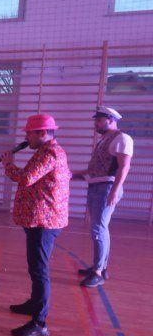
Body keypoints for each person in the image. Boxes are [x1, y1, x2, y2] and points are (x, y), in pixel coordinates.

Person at [1, 114, 70, 336]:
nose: (26, 137)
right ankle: (34, 304)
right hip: (39, 219)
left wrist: (9, 164)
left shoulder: (50, 153)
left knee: (39, 270)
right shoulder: (44, 151)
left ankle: (39, 322)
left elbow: (26, 178)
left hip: (44, 222)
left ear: (42, 133)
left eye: (29, 133)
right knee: (35, 267)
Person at [72, 106, 134, 288]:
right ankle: (101, 267)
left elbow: (124, 166)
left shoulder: (122, 138)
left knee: (98, 229)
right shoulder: (103, 140)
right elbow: (95, 168)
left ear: (111, 120)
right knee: (100, 229)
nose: (96, 124)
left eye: (99, 120)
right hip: (97, 186)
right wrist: (74, 174)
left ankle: (98, 272)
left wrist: (114, 191)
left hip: (106, 188)